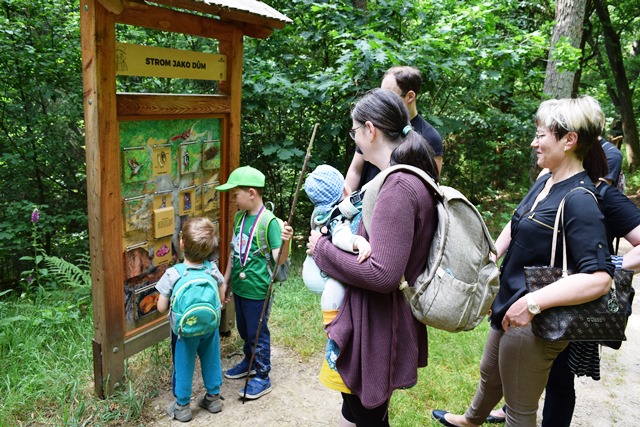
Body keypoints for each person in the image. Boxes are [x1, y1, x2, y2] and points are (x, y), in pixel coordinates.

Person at [432, 95, 615, 427]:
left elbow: (599, 278)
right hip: (512, 300)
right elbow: (516, 222)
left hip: (536, 319)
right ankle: (470, 420)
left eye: (541, 135)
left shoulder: (580, 199)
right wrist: (491, 257)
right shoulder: (546, 180)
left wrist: (531, 304)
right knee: (490, 372)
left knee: (519, 408)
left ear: (569, 140)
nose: (534, 142)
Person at [307, 88, 440, 426]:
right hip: (378, 319)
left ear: (370, 130)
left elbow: (382, 274)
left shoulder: (398, 187)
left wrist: (321, 249)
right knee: (357, 411)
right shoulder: (402, 177)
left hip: (379, 324)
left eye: (355, 131)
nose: (355, 140)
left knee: (367, 416)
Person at [215, 166, 293, 400]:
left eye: (235, 195)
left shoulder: (269, 222)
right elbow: (234, 251)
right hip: (240, 288)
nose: (233, 200)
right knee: (244, 329)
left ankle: (262, 375)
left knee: (257, 332)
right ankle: (249, 361)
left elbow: (279, 259)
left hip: (258, 290)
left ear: (251, 193)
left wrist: (286, 242)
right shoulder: (239, 217)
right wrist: (225, 282)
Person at [302, 164, 372, 394]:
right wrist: (358, 242)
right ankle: (332, 330)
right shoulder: (336, 217)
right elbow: (342, 237)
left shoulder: (320, 213)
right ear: (344, 189)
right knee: (334, 289)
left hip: (313, 270)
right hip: (324, 276)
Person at [156, 217, 226, 422]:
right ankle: (213, 398)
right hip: (210, 327)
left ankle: (183, 406)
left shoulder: (173, 274)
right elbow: (221, 298)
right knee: (211, 359)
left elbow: (161, 308)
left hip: (184, 332)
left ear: (182, 244)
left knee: (184, 364)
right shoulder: (212, 269)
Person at [345, 65, 444, 191]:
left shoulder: (430, 137)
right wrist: (345, 201)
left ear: (410, 97)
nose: (381, 99)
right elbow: (355, 170)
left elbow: (430, 186)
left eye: (389, 94)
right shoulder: (374, 124)